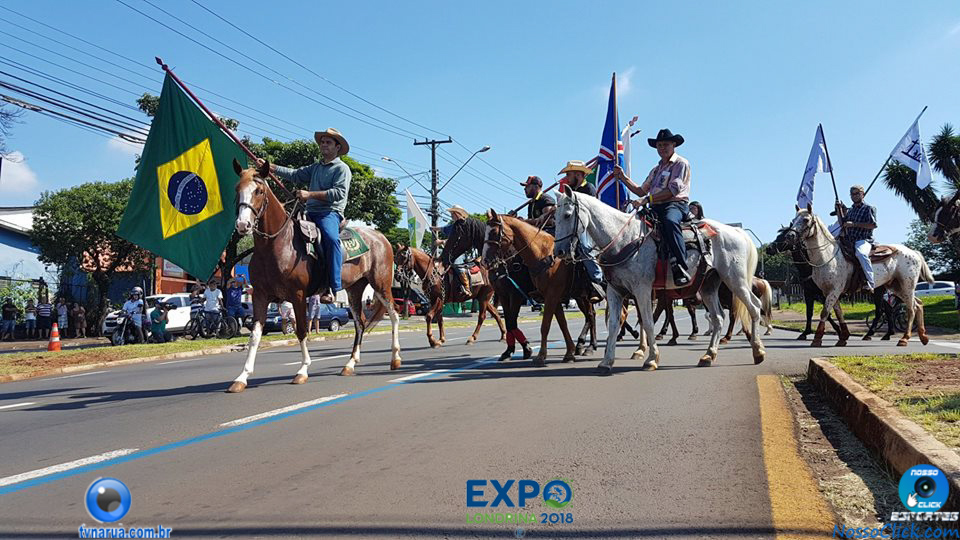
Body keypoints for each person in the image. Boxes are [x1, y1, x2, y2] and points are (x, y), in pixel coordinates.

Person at [258, 128, 352, 304]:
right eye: (322, 142)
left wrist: (310, 195)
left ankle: (333, 287)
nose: (323, 145)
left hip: (329, 213)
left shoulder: (342, 169)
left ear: (337, 147)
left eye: (328, 142)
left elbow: (339, 193)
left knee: (331, 240)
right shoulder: (315, 167)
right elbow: (295, 174)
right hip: (309, 212)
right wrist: (271, 167)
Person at [615, 128, 693, 286]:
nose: (662, 148)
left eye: (665, 144)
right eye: (659, 145)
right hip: (655, 206)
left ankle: (681, 266)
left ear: (673, 145)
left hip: (675, 204)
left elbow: (673, 190)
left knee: (670, 222)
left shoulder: (680, 163)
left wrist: (647, 199)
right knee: (632, 224)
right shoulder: (656, 170)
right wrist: (623, 178)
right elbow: (640, 190)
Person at [558, 160, 605, 301]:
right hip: (573, 228)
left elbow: (589, 213)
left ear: (578, 175)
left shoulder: (589, 188)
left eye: (569, 174)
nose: (566, 177)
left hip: (588, 228)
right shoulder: (570, 192)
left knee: (585, 247)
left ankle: (598, 282)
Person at [836, 184, 878, 292]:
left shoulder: (869, 208)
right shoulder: (851, 210)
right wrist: (839, 211)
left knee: (861, 254)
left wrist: (854, 224)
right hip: (849, 240)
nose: (854, 196)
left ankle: (869, 282)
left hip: (863, 239)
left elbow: (873, 225)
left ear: (862, 194)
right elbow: (843, 224)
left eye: (856, 194)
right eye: (852, 194)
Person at [431, 205, 472, 296]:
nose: (451, 215)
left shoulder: (464, 226)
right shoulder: (453, 226)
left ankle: (467, 287)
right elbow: (443, 229)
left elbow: (459, 240)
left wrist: (441, 241)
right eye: (451, 213)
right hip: (448, 252)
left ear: (458, 214)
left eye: (452, 213)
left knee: (457, 266)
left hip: (459, 252)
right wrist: (433, 228)